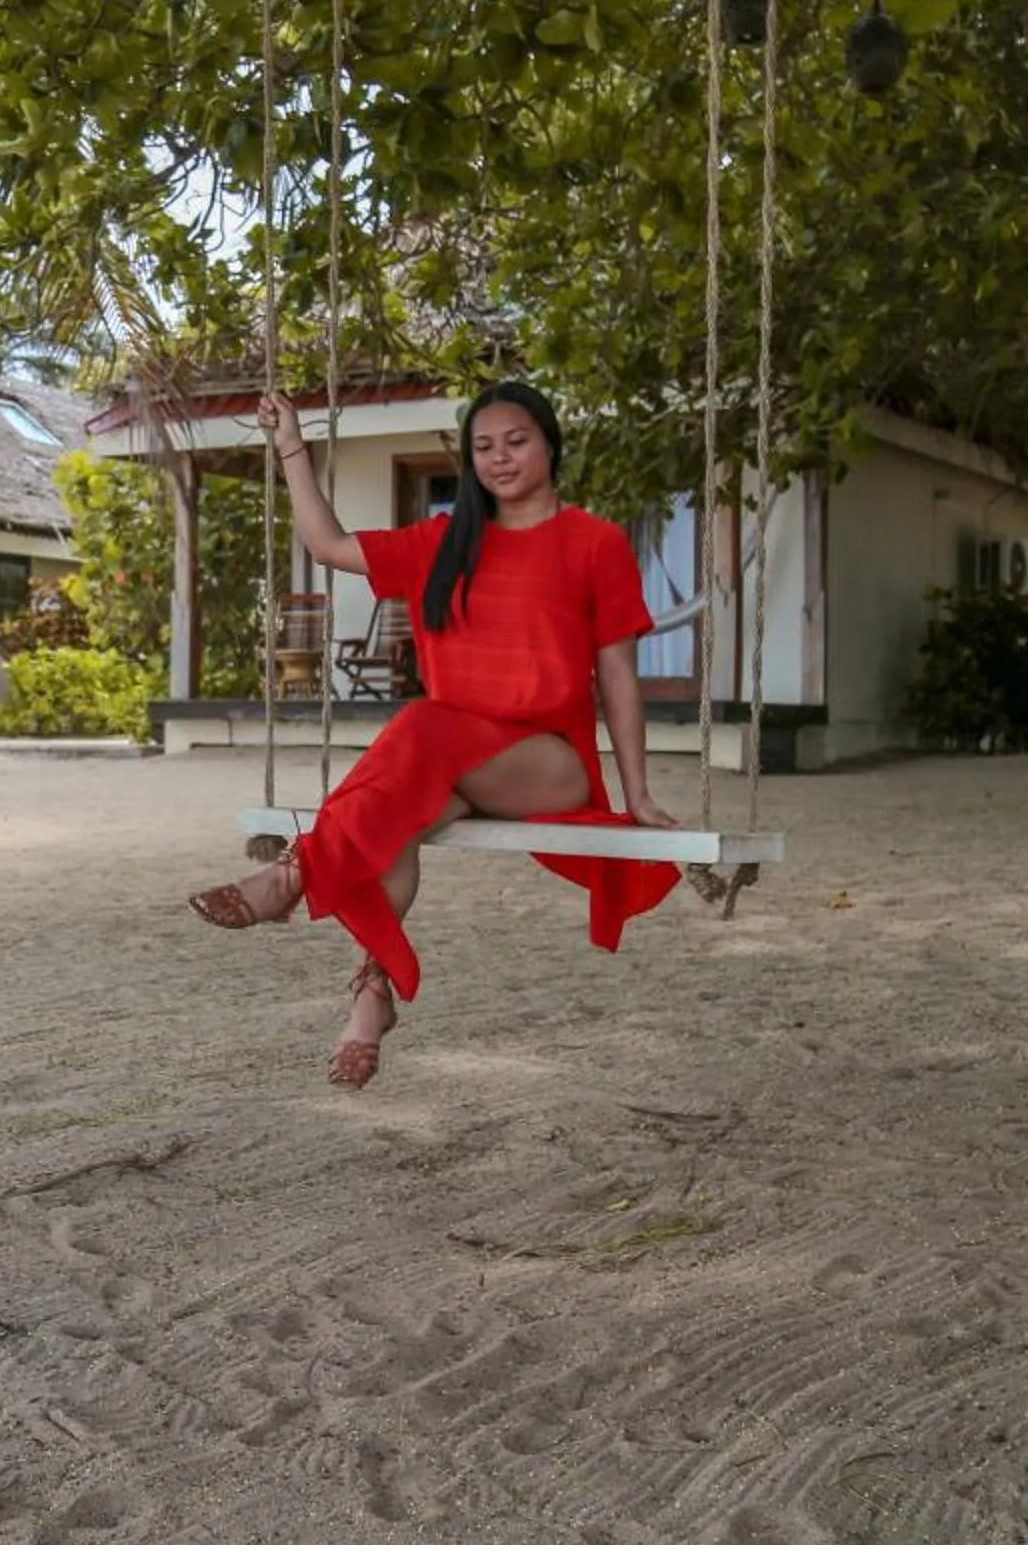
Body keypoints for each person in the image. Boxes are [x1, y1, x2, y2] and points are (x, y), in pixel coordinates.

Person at [187, 380, 682, 1088]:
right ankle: (370, 998)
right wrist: (291, 446)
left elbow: (619, 677)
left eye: (516, 441)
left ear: (550, 444)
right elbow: (326, 544)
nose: (501, 458)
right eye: (483, 447)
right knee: (388, 810)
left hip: (548, 764)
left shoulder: (594, 543)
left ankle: (292, 874)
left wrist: (638, 793)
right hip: (448, 761)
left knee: (418, 728)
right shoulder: (447, 542)